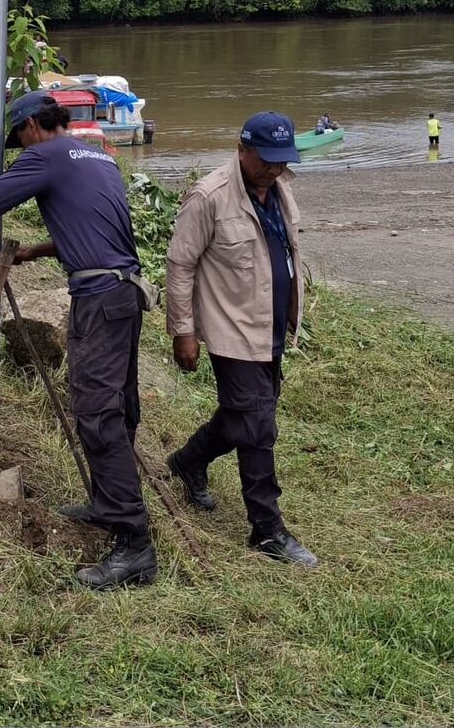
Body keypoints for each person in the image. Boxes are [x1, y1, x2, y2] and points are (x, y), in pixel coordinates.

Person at [0, 89, 156, 591]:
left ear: (30, 128)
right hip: (126, 293)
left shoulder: (44, 154)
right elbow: (96, 229)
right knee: (119, 405)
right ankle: (108, 502)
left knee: (96, 410)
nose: (22, 148)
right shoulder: (98, 156)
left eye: (19, 140)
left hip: (99, 300)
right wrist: (41, 251)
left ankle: (133, 544)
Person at [164, 112, 318, 568]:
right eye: (266, 160)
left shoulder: (280, 190)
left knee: (244, 415)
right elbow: (180, 264)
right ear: (241, 148)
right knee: (257, 426)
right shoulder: (209, 196)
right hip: (232, 330)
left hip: (269, 327)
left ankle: (188, 461)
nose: (274, 169)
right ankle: (267, 530)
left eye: (281, 161)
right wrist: (184, 331)